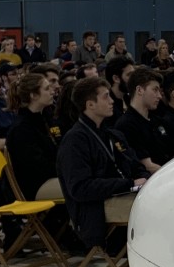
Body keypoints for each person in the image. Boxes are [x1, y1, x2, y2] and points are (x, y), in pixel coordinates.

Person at [56, 77, 146, 254]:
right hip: (94, 208)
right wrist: (129, 183)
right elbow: (81, 188)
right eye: (106, 97)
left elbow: (136, 165)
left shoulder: (112, 134)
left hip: (122, 194)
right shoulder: (75, 141)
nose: (112, 101)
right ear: (90, 105)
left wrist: (143, 179)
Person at [5, 72, 62, 202]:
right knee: (82, 187)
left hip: (53, 177)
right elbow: (37, 166)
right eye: (47, 88)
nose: (52, 91)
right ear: (33, 95)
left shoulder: (45, 118)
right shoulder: (21, 128)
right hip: (35, 186)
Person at [113, 67, 167, 173]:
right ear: (139, 90)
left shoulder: (157, 121)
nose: (160, 96)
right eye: (155, 90)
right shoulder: (126, 125)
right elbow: (147, 166)